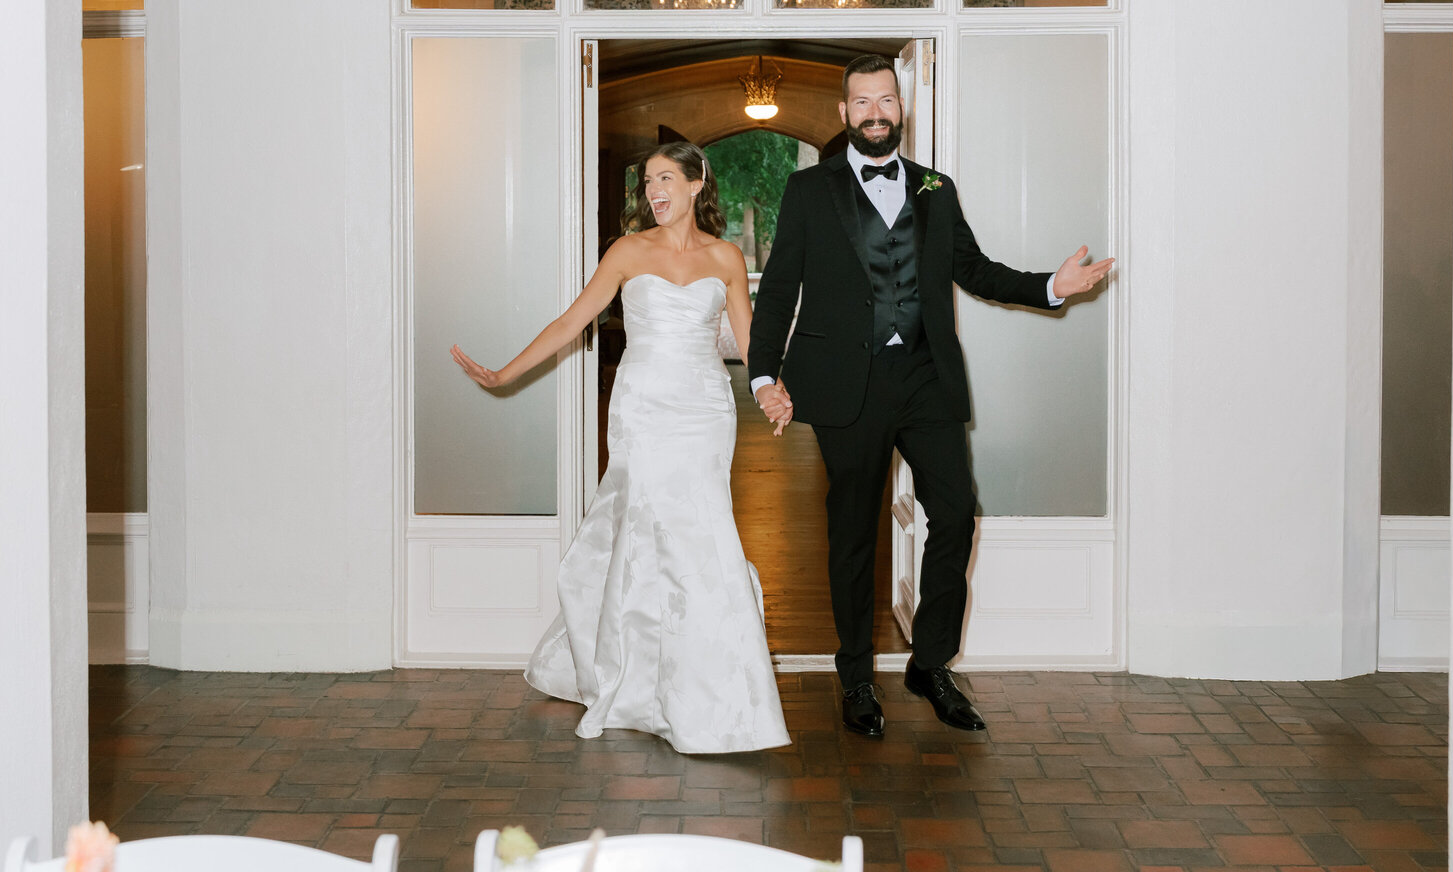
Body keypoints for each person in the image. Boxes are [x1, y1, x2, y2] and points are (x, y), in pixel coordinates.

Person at [748, 54, 1113, 739]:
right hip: (843, 385)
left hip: (925, 376)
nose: (876, 112)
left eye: (886, 99)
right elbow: (778, 292)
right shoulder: (807, 191)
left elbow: (973, 270)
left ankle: (931, 662)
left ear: (901, 107)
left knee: (956, 512)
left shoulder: (937, 188)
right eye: (862, 102)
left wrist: (1052, 287)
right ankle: (856, 675)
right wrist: (765, 376)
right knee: (853, 534)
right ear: (844, 112)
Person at [451, 141, 790, 754]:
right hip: (642, 410)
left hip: (706, 413)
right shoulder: (627, 252)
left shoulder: (727, 257)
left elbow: (751, 341)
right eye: (647, 183)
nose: (654, 191)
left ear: (696, 183)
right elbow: (569, 323)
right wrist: (506, 373)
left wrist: (773, 391)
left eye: (665, 179)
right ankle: (630, 681)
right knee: (643, 532)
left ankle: (713, 690)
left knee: (704, 535)